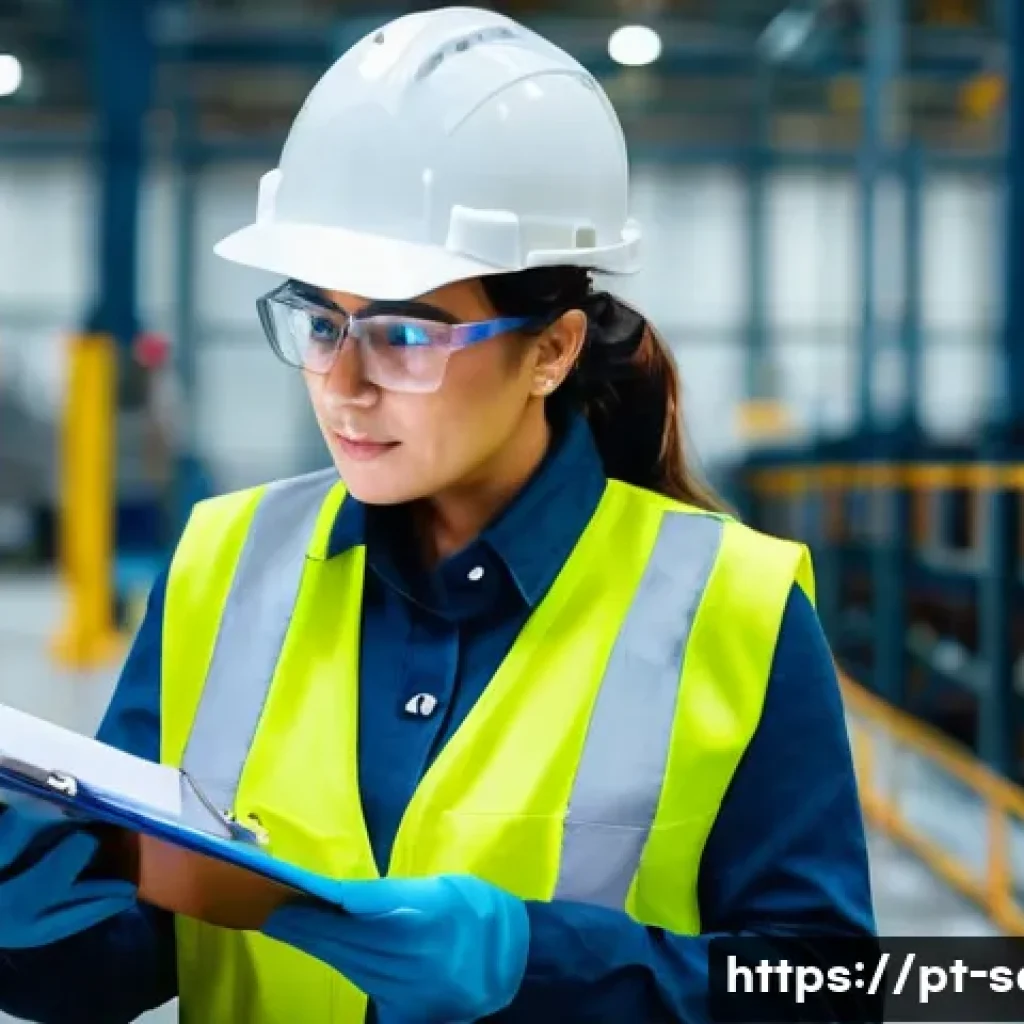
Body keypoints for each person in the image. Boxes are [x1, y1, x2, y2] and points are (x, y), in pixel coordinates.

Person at [0, 7, 875, 1023]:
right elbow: (124, 937)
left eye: (405, 334)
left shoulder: (732, 605)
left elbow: (842, 988)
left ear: (550, 350)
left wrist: (536, 964)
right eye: (320, 322)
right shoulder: (222, 563)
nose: (343, 384)